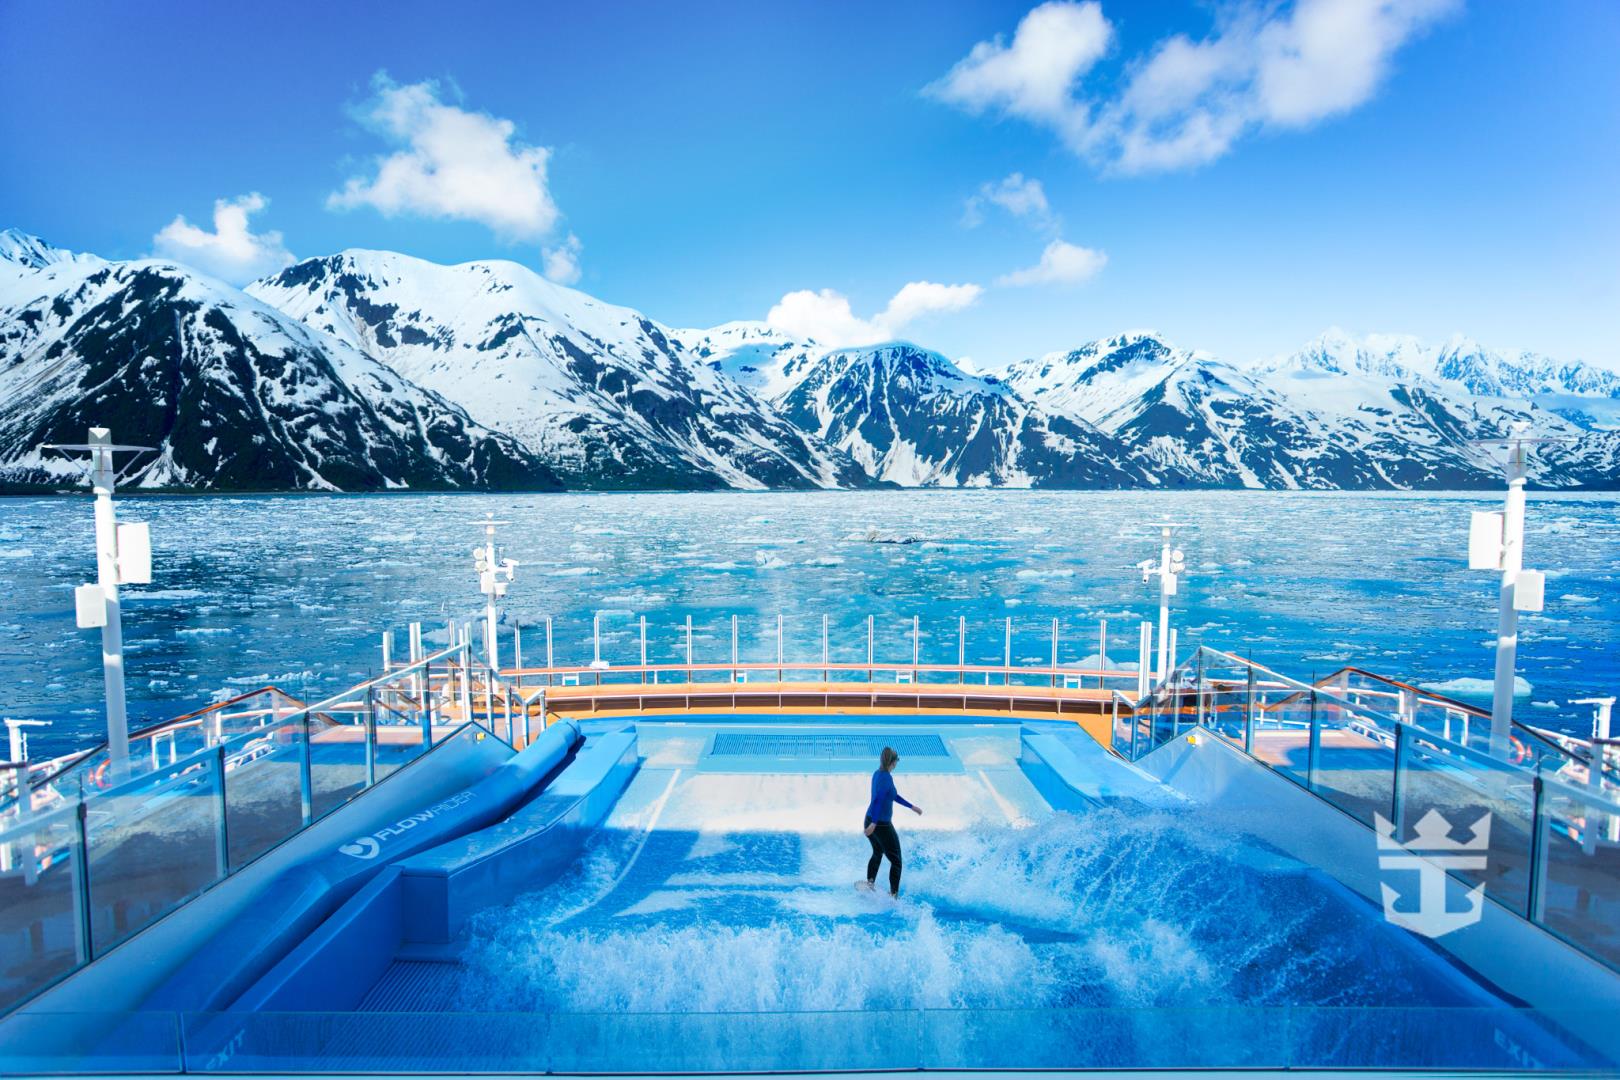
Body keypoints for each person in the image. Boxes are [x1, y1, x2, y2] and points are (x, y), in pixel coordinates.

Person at [861, 745, 922, 896]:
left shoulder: (878, 774)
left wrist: (911, 806)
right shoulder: (887, 778)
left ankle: (870, 883)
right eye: (896, 763)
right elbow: (879, 800)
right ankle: (893, 895)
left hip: (869, 819)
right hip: (880, 825)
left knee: (878, 852)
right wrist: (874, 824)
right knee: (896, 861)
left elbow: (892, 795)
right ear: (892, 762)